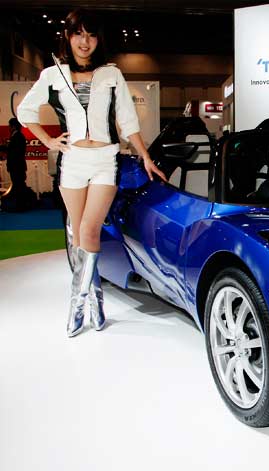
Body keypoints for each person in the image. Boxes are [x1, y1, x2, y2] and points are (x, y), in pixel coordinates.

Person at [17, 8, 166, 337]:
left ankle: (77, 301)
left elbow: (127, 120)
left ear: (99, 40)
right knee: (80, 234)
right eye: (78, 34)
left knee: (89, 229)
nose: (85, 41)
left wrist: (145, 157)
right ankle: (96, 297)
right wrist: (48, 141)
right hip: (72, 161)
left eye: (91, 34)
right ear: (68, 37)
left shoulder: (111, 74)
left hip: (104, 159)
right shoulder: (53, 74)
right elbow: (25, 110)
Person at [0, 118, 28, 196]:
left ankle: (21, 204)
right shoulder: (16, 136)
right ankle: (20, 203)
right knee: (17, 185)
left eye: (9, 126)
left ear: (13, 127)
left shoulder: (18, 137)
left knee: (18, 185)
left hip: (17, 166)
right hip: (16, 166)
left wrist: (4, 147)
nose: (8, 128)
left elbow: (14, 151)